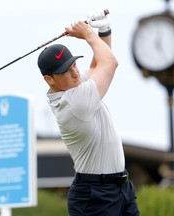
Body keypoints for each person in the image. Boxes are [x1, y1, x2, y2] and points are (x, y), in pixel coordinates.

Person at [37, 10, 140, 216]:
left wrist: (103, 31)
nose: (75, 72)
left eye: (73, 64)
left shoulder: (72, 86)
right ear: (50, 79)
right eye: (66, 70)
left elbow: (96, 64)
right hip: (95, 197)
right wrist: (87, 34)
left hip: (120, 188)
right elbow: (110, 64)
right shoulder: (74, 103)